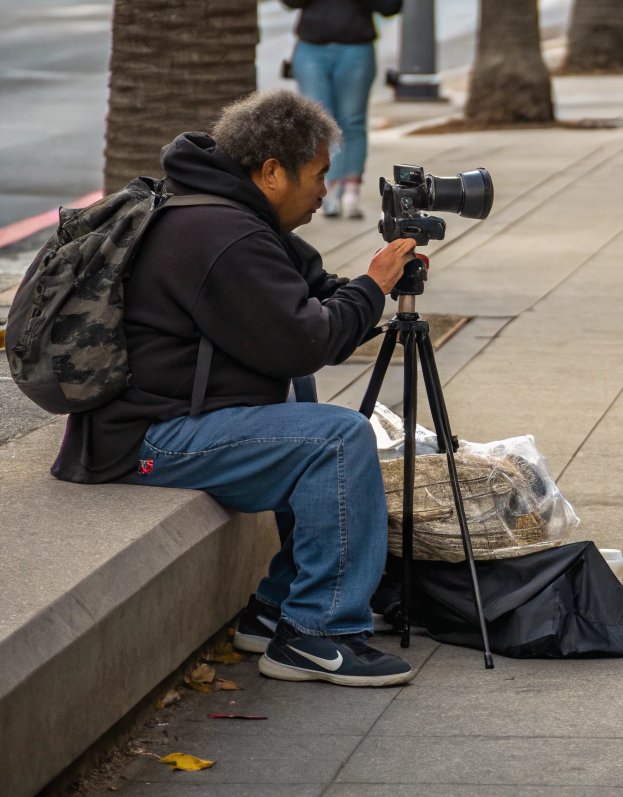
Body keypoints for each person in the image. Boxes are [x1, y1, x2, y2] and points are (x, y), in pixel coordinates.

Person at [52, 90, 422, 686]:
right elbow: (305, 340)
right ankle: (316, 634)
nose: (325, 193)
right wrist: (375, 287)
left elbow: (302, 292)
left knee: (304, 403)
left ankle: (274, 610)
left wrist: (355, 291)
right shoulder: (223, 233)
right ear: (272, 172)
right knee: (338, 439)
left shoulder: (219, 211)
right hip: (148, 442)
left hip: (152, 423)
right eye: (320, 175)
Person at [281, 0, 402, 220]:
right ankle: (326, 190)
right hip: (312, 49)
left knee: (352, 120)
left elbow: (392, 3)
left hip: (355, 48)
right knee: (319, 123)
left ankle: (351, 189)